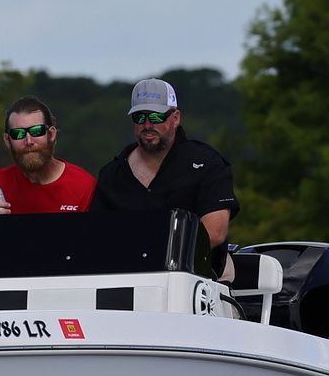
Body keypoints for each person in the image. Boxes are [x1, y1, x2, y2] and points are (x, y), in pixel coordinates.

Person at [90, 78, 240, 280]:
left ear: (175, 118)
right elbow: (97, 235)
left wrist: (150, 253)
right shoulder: (112, 173)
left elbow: (214, 233)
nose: (147, 125)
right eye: (139, 117)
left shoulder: (206, 163)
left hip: (202, 277)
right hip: (127, 277)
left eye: (156, 116)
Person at [0, 96, 97, 215]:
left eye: (36, 131)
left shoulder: (84, 186)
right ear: (7, 141)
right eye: (18, 134)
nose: (28, 141)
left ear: (51, 135)